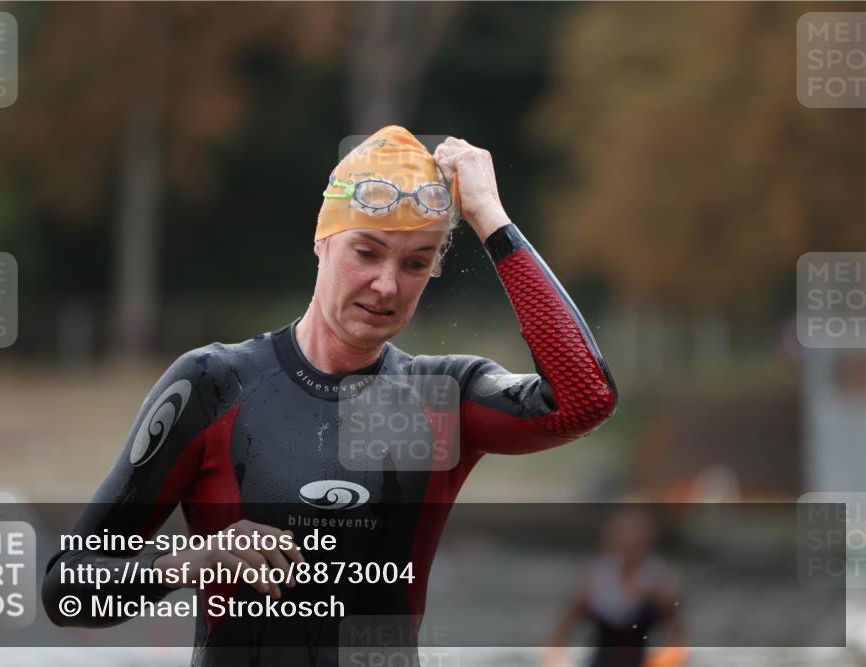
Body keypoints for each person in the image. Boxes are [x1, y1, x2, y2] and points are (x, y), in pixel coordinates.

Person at [42, 125, 618, 666]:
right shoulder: (215, 385)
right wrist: (191, 561)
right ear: (322, 241)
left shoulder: (441, 397)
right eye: (367, 253)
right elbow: (67, 589)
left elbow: (585, 399)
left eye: (415, 263)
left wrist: (491, 219)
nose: (387, 285)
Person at [544, 509, 687, 667]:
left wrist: (661, 662)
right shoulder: (593, 583)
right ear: (608, 542)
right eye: (623, 541)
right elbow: (560, 634)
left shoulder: (659, 584)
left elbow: (677, 639)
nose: (629, 545)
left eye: (635, 541)